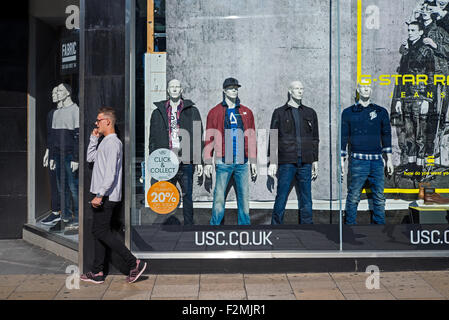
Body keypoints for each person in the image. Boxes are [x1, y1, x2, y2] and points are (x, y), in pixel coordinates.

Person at [81, 107, 147, 284]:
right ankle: (97, 272)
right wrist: (93, 138)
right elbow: (90, 158)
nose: (96, 123)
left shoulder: (113, 143)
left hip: (107, 196)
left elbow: (110, 174)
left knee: (101, 231)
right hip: (102, 194)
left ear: (108, 121)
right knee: (99, 232)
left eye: (98, 120)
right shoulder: (105, 141)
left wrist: (100, 195)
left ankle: (134, 262)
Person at [148, 79, 204, 225]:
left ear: (181, 90)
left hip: (185, 159)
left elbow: (198, 135)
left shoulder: (192, 111)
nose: (174, 89)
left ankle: (189, 226)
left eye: (177, 87)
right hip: (166, 160)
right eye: (171, 86)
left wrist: (199, 161)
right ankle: (167, 227)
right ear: (167, 90)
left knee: (187, 195)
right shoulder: (158, 112)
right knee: (166, 194)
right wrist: (153, 160)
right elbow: (152, 139)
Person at [204, 78, 257, 225]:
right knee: (219, 196)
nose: (234, 90)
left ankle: (245, 228)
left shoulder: (246, 112)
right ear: (224, 91)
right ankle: (214, 227)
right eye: (231, 88)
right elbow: (209, 137)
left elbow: (251, 136)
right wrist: (207, 161)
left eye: (236, 88)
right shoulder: (215, 112)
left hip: (242, 159)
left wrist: (253, 160)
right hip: (223, 159)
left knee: (244, 197)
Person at [341, 81, 393, 225]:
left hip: (377, 161)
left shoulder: (381, 112)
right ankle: (349, 228)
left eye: (368, 86)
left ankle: (379, 230)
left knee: (379, 197)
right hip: (358, 161)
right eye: (363, 86)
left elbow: (386, 135)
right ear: (357, 89)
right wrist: (341, 160)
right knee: (353, 196)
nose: (366, 88)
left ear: (371, 89)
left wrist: (389, 159)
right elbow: (343, 137)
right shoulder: (348, 112)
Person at [268, 81, 319, 224]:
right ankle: (276, 227)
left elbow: (315, 138)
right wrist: (272, 161)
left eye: (302, 88)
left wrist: (315, 160)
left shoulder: (310, 112)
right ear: (290, 91)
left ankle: (307, 228)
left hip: (305, 162)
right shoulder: (279, 112)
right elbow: (273, 136)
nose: (300, 91)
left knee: (306, 197)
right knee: (281, 196)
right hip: (286, 161)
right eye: (297, 88)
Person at [391, 20, 436, 171]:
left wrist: (428, 99)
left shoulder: (426, 51)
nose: (409, 32)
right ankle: (411, 165)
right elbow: (401, 78)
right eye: (408, 30)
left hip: (421, 97)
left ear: (421, 32)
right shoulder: (406, 52)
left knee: (420, 135)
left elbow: (431, 76)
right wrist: (398, 99)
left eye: (413, 30)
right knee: (409, 133)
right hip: (406, 98)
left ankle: (420, 167)